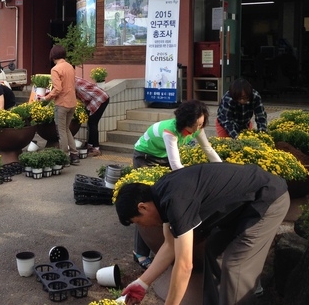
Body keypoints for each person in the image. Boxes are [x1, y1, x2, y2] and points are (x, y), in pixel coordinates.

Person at [116, 163, 290, 305]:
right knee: (214, 250)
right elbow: (170, 245)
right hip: (242, 207)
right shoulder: (161, 195)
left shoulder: (176, 202)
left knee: (235, 266)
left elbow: (185, 266)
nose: (143, 226)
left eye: (138, 222)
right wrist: (142, 283)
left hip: (267, 199)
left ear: (143, 207)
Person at [131, 99, 223, 270]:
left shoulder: (197, 128)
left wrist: (224, 170)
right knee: (147, 204)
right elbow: (176, 167)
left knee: (165, 201)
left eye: (202, 124)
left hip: (163, 156)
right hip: (144, 157)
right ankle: (140, 252)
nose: (198, 129)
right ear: (184, 122)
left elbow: (208, 149)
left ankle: (161, 243)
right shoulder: (170, 132)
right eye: (195, 125)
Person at [43, 45, 79, 165]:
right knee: (66, 129)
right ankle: (74, 155)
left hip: (62, 103)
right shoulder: (70, 67)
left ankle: (65, 156)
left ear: (53, 55)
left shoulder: (55, 69)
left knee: (61, 130)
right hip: (72, 102)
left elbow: (57, 89)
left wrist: (46, 98)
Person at [74, 76, 109, 156]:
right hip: (98, 97)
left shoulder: (76, 86)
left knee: (93, 122)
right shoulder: (74, 79)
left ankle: (96, 148)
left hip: (100, 99)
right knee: (91, 122)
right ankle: (90, 145)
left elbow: (86, 98)